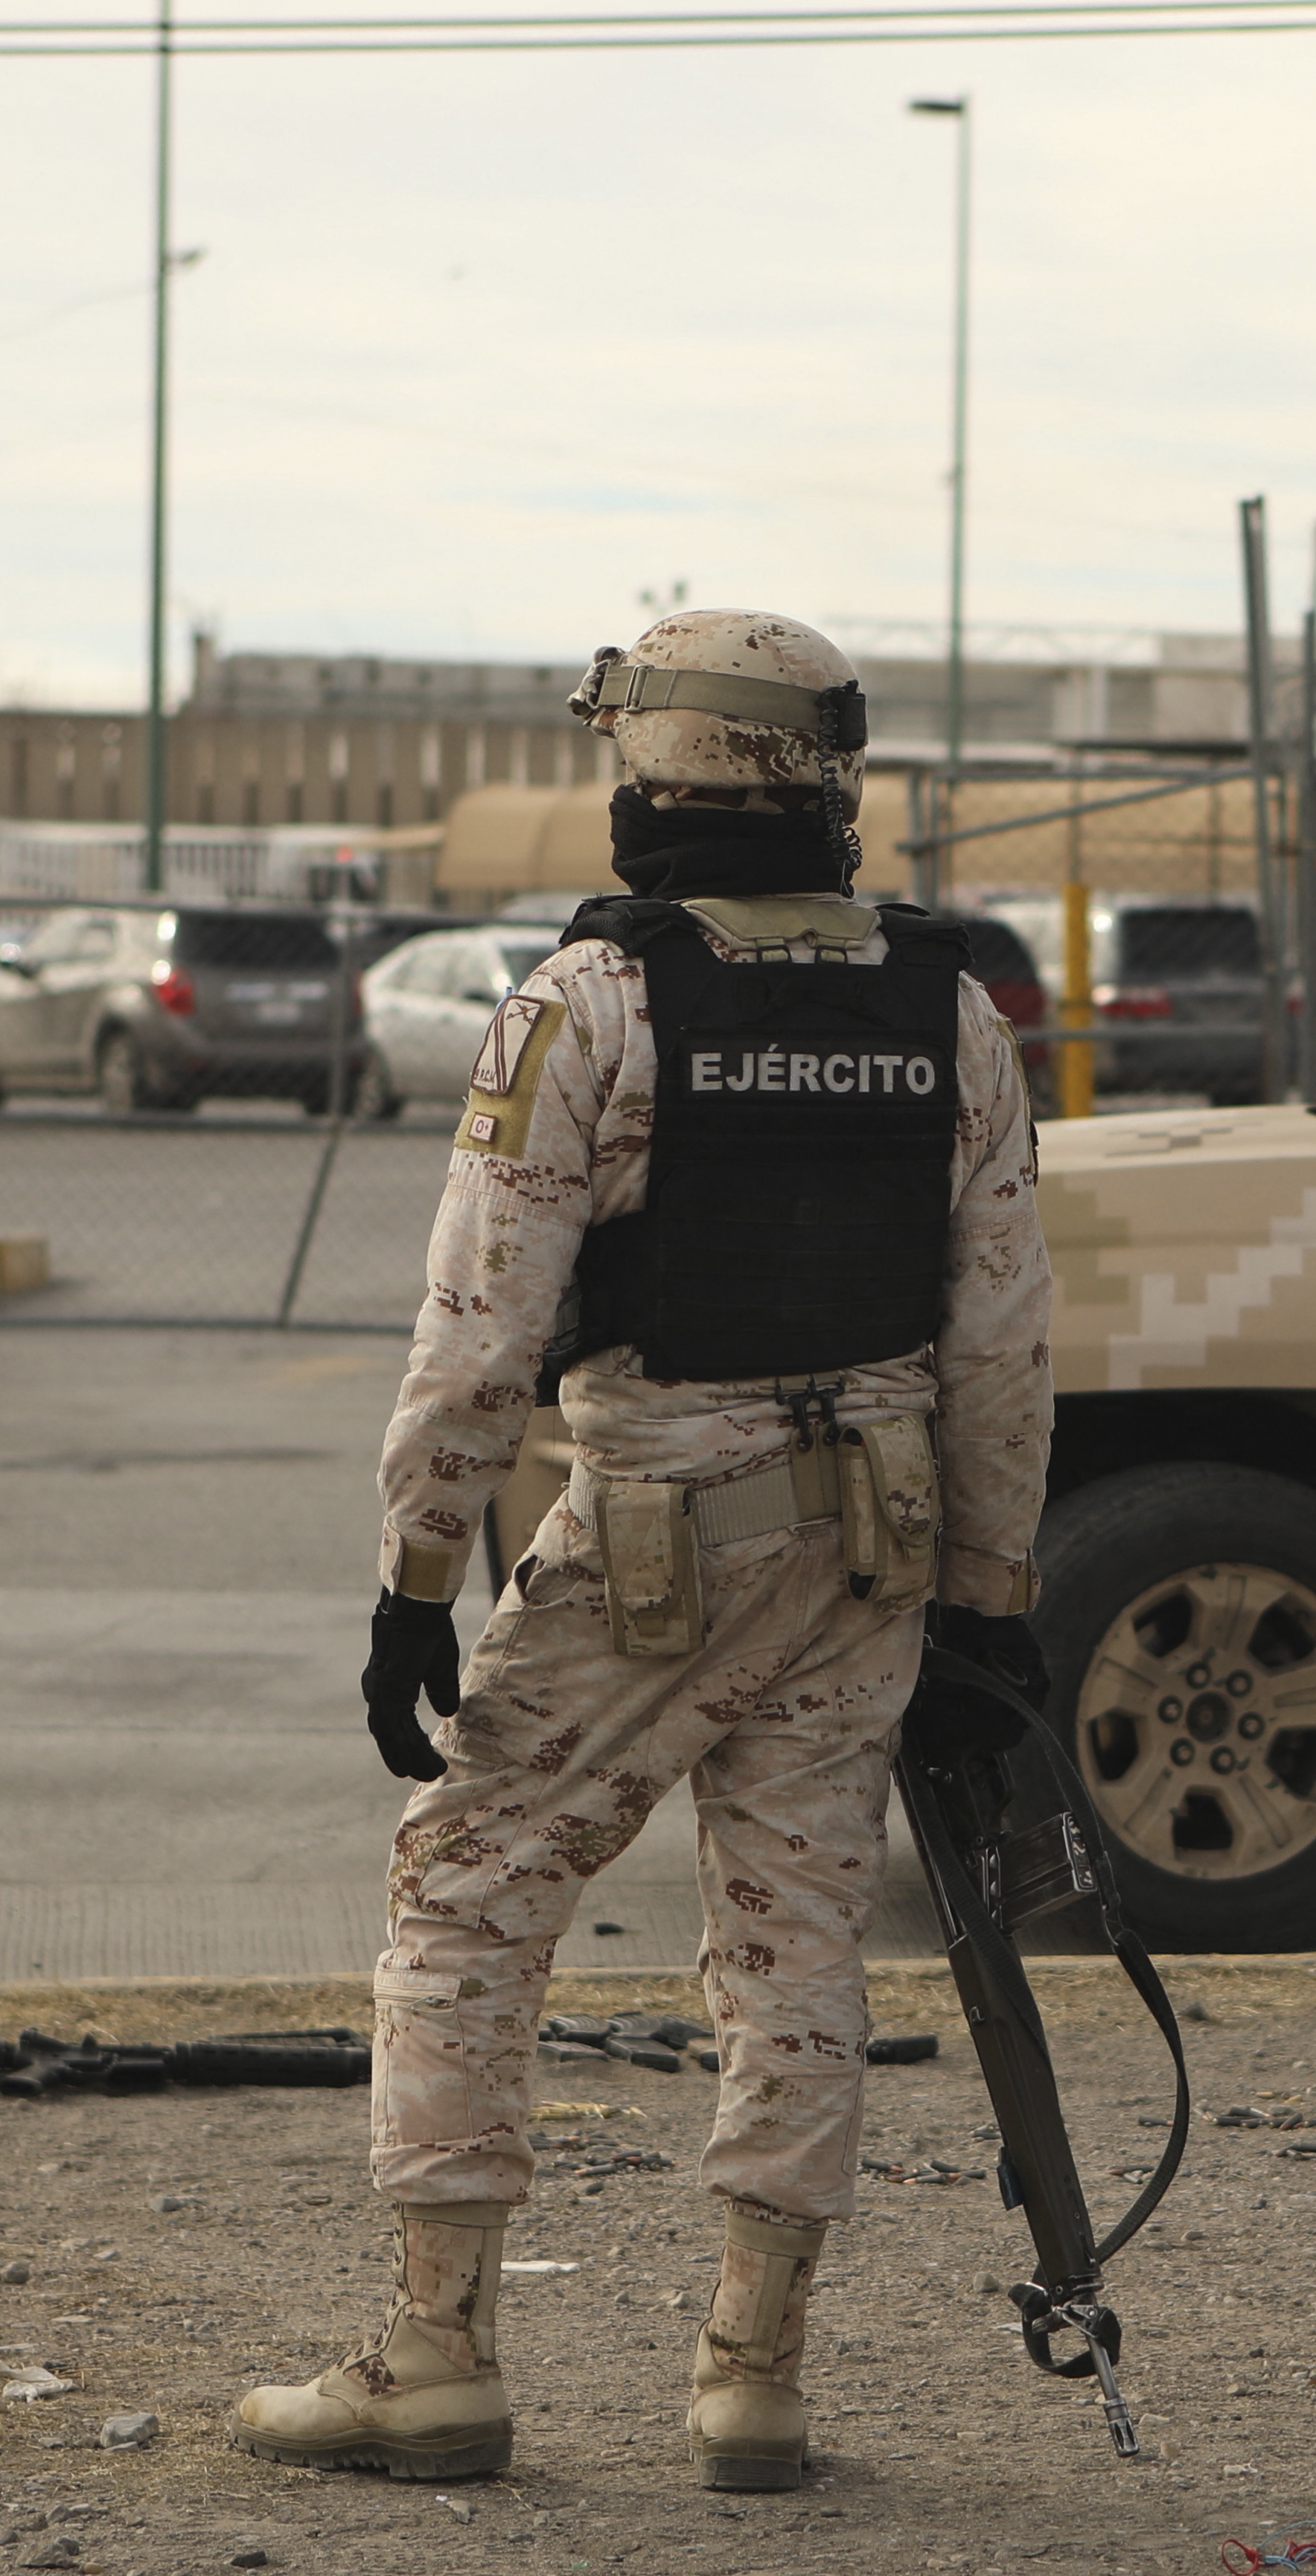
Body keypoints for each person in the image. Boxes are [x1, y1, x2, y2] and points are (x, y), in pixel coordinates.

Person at [227, 610, 1052, 2492]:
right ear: (826, 772)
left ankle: (434, 2356)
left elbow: (479, 1318)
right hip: (880, 1542)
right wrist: (996, 1601)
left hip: (658, 1534)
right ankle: (752, 2379)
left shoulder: (585, 1003)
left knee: (465, 1886)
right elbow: (1004, 1335)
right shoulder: (946, 1001)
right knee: (799, 1930)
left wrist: (413, 1567)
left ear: (651, 764)